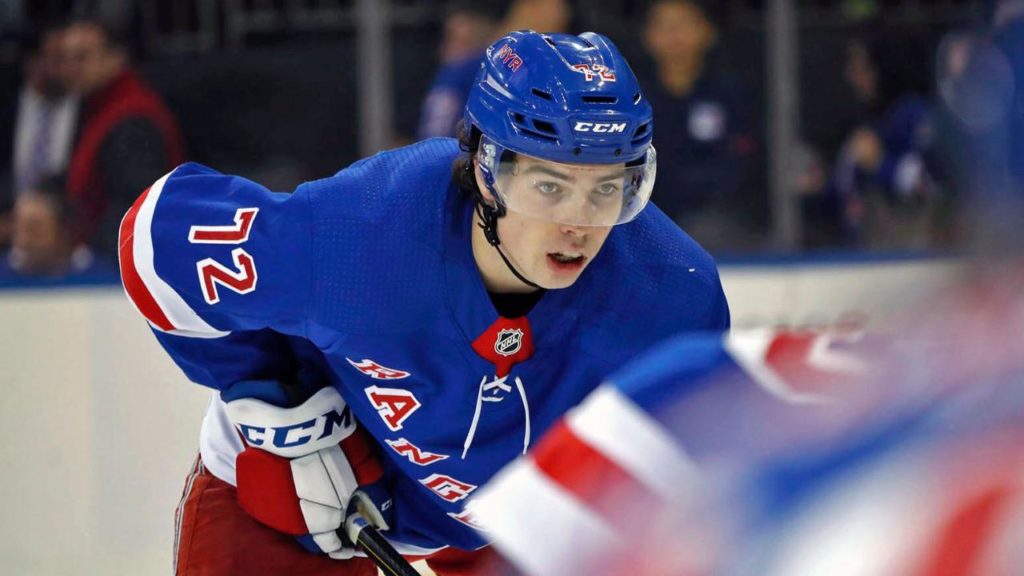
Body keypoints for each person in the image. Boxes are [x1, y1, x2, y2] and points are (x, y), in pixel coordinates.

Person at [119, 30, 729, 575]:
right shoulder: (360, 237)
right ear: (487, 171)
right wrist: (275, 401)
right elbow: (155, 240)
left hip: (496, 527)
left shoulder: (673, 300)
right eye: (550, 186)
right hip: (291, 502)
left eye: (608, 189)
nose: (579, 223)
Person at [63, 18, 185, 262]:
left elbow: (135, 207)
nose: (71, 68)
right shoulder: (96, 107)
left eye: (82, 57)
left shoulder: (133, 119)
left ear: (115, 58)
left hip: (120, 263)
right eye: (67, 59)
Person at [641, 0, 757, 250]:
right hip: (646, 214)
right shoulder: (634, 99)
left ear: (708, 31)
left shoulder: (730, 94)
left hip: (716, 217)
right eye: (664, 25)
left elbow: (740, 163)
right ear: (648, 36)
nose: (674, 34)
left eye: (683, 23)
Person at [1, 22, 78, 246]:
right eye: (58, 58)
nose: (68, 67)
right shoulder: (6, 104)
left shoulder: (91, 108)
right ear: (31, 61)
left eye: (72, 59)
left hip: (67, 239)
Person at [0, 175, 113, 283]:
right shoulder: (3, 274)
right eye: (18, 229)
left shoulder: (104, 279)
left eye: (33, 230)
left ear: (64, 232)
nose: (23, 241)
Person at [416, 3, 499, 140]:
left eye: (463, 42)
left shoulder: (479, 70)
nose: (447, 49)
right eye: (450, 40)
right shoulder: (446, 74)